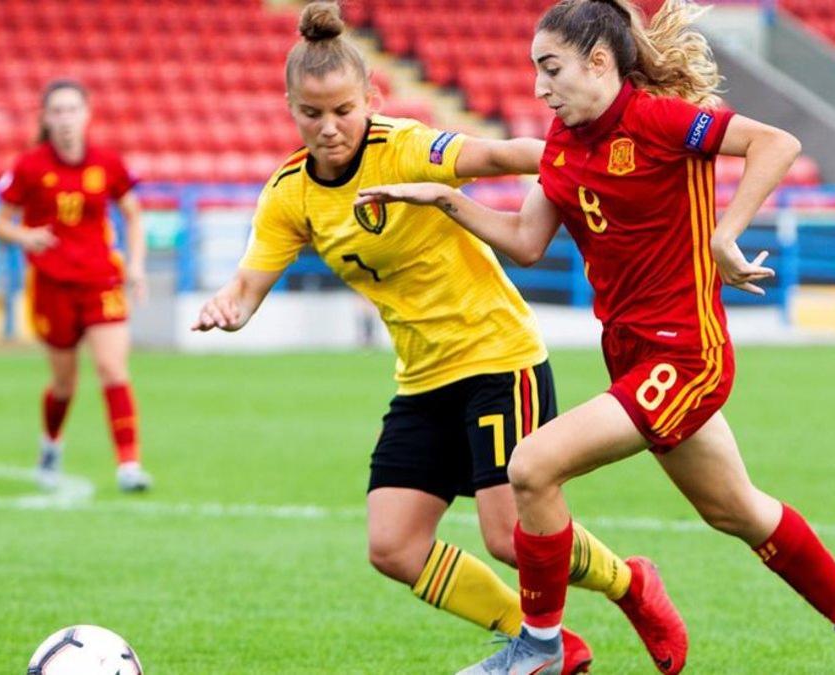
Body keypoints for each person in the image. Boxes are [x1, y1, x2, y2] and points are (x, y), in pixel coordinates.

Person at [358, 1, 835, 673]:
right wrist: (444, 200)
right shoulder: (563, 143)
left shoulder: (660, 120)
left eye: (550, 68)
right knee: (735, 510)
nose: (539, 87)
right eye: (535, 71)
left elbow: (776, 143)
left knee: (531, 465)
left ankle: (539, 646)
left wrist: (724, 233)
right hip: (631, 357)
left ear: (597, 63)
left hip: (686, 357)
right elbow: (528, 242)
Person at [193, 4, 689, 672]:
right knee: (393, 545)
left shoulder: (404, 146)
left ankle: (633, 582)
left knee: (510, 537)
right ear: (290, 108)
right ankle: (548, 643)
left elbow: (494, 155)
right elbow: (247, 289)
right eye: (311, 114)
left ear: (371, 98)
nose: (329, 126)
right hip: (422, 379)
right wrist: (227, 304)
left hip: (497, 357)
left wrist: (578, 153)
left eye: (343, 109)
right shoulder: (289, 195)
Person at [0, 79, 153, 493]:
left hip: (101, 279)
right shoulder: (29, 166)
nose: (66, 119)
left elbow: (134, 215)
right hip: (52, 285)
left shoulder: (108, 163)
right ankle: (51, 443)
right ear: (46, 118)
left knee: (112, 368)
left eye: (72, 110)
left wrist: (135, 265)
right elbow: (0, 225)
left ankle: (129, 465)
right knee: (65, 383)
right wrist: (25, 237)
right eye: (57, 111)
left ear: (87, 115)